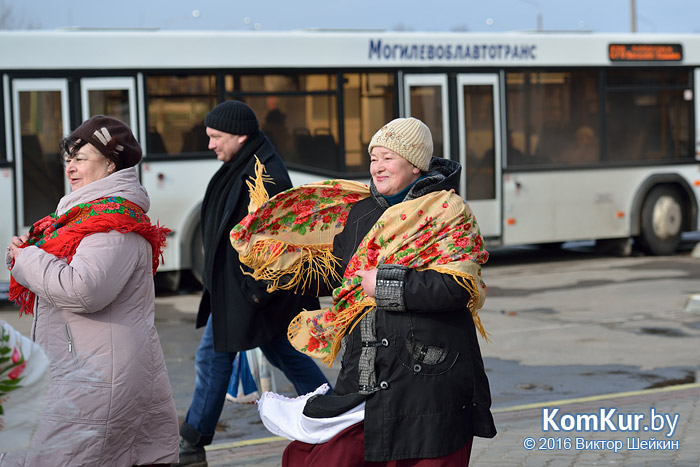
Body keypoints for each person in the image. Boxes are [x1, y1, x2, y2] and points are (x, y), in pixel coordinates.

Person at [232, 117, 497, 465]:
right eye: (373, 157)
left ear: (415, 163)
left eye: (387, 157)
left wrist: (387, 285)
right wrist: (282, 258)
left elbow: (457, 288)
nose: (377, 166)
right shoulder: (362, 211)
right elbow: (341, 279)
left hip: (430, 381)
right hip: (370, 374)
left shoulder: (448, 211)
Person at [4, 115, 179, 466]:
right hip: (90, 367)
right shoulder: (86, 217)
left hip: (97, 375)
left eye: (81, 158)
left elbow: (83, 290)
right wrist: (33, 254)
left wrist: (29, 260)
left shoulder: (113, 223)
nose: (71, 167)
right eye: (68, 158)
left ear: (112, 162)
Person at [176, 101, 330, 466]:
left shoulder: (266, 174)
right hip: (241, 295)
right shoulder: (244, 164)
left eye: (216, 137)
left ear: (239, 135)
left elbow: (277, 242)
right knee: (286, 355)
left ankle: (193, 442)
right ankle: (336, 414)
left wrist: (254, 296)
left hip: (249, 297)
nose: (210, 144)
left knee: (212, 359)